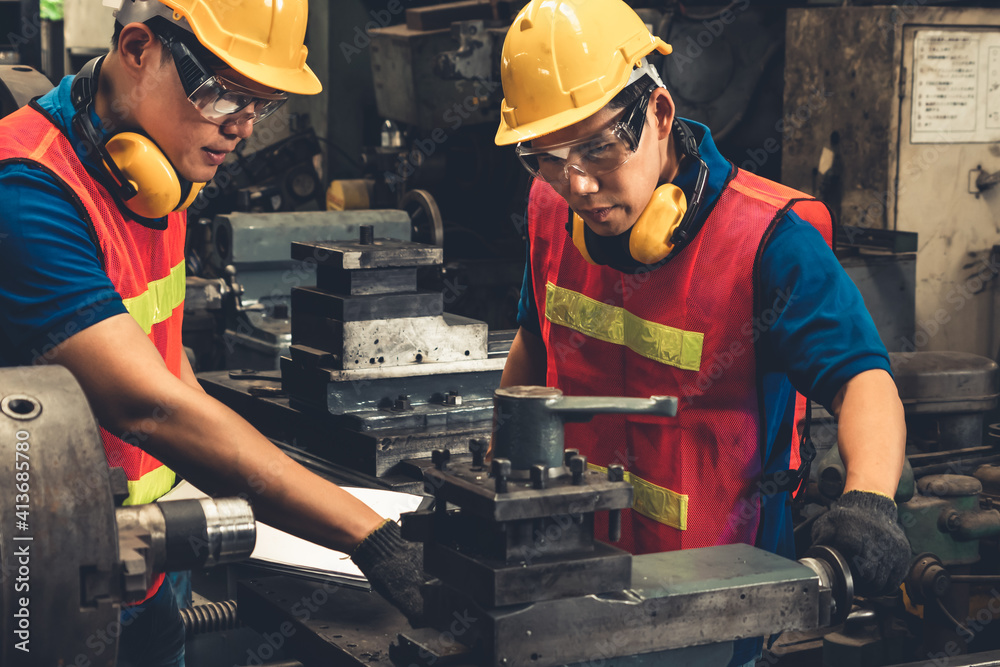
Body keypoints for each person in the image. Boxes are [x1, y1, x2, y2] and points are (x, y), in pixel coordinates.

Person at [0, 1, 422, 664]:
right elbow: (151, 405)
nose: (242, 127)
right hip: (44, 589)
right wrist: (368, 535)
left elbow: (170, 370)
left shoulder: (153, 178)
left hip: (150, 566)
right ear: (138, 49)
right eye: (223, 91)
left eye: (261, 102)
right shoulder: (27, 195)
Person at [494, 2, 911, 665]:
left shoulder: (768, 242)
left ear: (658, 114)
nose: (577, 183)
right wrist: (496, 489)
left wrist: (868, 501)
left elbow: (863, 379)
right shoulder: (551, 209)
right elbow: (535, 341)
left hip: (718, 603)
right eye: (545, 156)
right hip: (566, 576)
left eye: (600, 146)